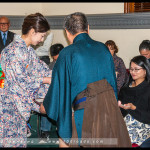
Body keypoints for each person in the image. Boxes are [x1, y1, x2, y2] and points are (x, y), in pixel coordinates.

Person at [40, 12, 132, 147]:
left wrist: (46, 105)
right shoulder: (103, 48)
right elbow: (112, 82)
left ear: (67, 32)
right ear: (88, 28)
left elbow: (59, 86)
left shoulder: (67, 53)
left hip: (82, 112)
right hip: (107, 109)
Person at [0, 13, 51, 148]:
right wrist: (38, 105)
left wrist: (56, 76)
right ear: (33, 32)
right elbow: (21, 84)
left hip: (18, 106)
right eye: (42, 35)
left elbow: (41, 69)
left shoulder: (28, 50)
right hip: (9, 107)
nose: (42, 40)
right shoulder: (13, 51)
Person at [118, 55, 150, 147]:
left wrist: (133, 108)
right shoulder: (126, 88)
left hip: (142, 124)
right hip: (124, 122)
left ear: (145, 71)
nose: (133, 72)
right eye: (131, 69)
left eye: (136, 69)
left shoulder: (148, 89)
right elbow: (121, 112)